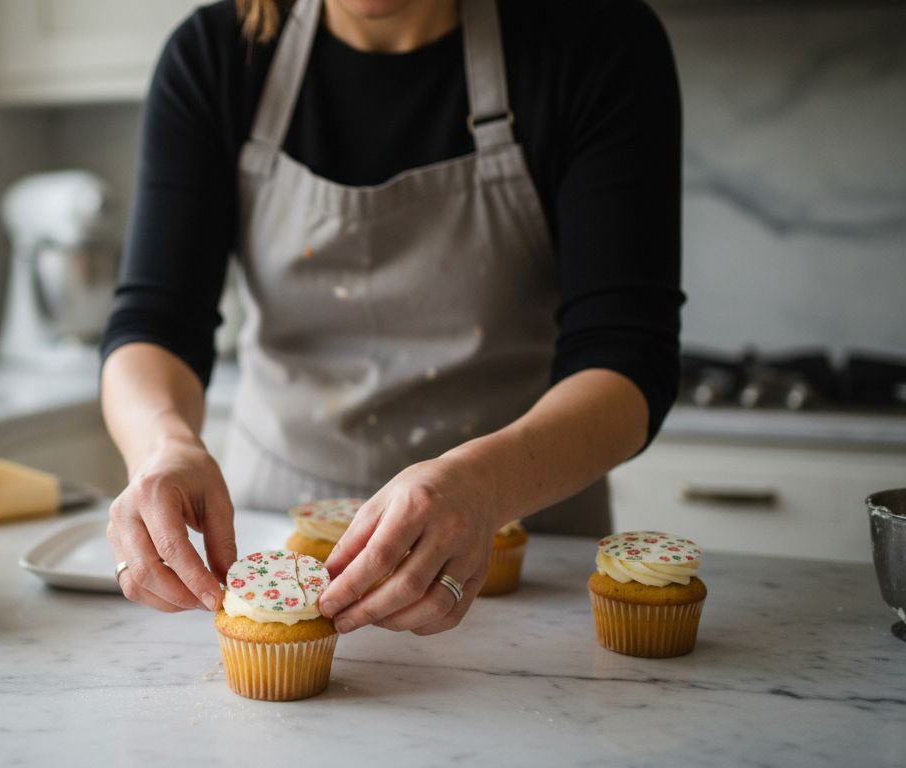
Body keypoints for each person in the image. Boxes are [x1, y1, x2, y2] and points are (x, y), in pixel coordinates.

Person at [99, 0, 683, 637]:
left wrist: (484, 487)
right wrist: (164, 445)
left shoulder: (595, 41)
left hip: (526, 549)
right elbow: (156, 321)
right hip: (276, 542)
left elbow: (627, 357)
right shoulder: (219, 53)